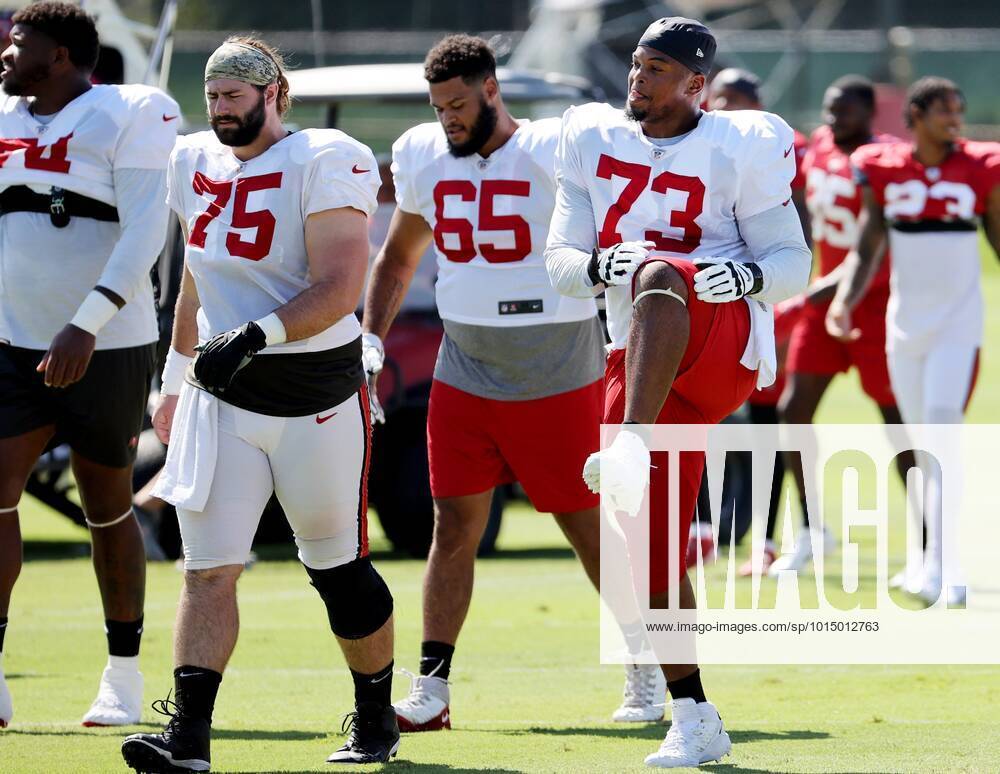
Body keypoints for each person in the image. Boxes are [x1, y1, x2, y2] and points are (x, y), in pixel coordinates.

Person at [120, 36, 399, 771]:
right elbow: (194, 279)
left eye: (233, 97)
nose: (219, 111)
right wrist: (173, 379)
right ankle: (188, 741)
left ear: (274, 93)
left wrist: (256, 333)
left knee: (336, 568)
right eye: (211, 97)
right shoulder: (192, 159)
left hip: (315, 393)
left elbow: (343, 286)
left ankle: (376, 715)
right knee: (207, 567)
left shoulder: (326, 156)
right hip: (225, 394)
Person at [361, 35, 655, 729]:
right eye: (438, 107)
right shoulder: (424, 155)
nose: (448, 120)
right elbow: (398, 258)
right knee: (451, 524)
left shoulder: (553, 148)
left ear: (492, 90)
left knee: (584, 523)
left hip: (557, 359)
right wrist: (371, 336)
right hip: (463, 361)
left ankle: (645, 661)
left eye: (459, 104)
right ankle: (432, 691)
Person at [546, 17, 810, 768]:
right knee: (648, 554)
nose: (638, 79)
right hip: (639, 362)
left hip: (719, 335)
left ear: (698, 85)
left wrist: (749, 277)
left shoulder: (742, 143)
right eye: (635, 64)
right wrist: (600, 266)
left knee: (664, 273)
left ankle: (629, 443)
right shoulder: (591, 138)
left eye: (658, 69)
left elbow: (793, 260)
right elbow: (561, 261)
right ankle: (695, 714)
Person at [0, 1, 177, 728]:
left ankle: (124, 674)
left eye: (20, 44)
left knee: (105, 503)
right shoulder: (4, 116)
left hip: (107, 342)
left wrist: (86, 323)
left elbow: (144, 231)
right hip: (11, 340)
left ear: (63, 56)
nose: (6, 54)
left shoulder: (130, 111)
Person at [827, 76, 1000, 605]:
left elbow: (997, 235)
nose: (956, 119)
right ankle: (929, 562)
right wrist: (844, 301)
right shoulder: (882, 167)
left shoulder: (981, 164)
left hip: (958, 322)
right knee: (920, 444)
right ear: (918, 115)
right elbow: (868, 242)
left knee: (944, 432)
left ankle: (953, 568)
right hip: (904, 324)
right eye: (945, 110)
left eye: (960, 109)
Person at [762, 76, 915, 574]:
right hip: (823, 302)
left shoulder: (887, 159)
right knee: (794, 409)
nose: (833, 120)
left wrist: (808, 293)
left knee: (897, 423)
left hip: (876, 304)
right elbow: (802, 210)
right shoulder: (821, 148)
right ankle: (812, 531)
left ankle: (929, 539)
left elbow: (873, 250)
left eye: (844, 111)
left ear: (870, 114)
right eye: (829, 109)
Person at [704, 66, 810, 573]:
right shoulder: (698, 143)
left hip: (770, 294)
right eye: (715, 99)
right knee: (702, 414)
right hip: (711, 295)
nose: (718, 110)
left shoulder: (782, 150)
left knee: (767, 417)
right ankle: (701, 529)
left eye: (729, 100)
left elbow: (797, 234)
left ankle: (765, 540)